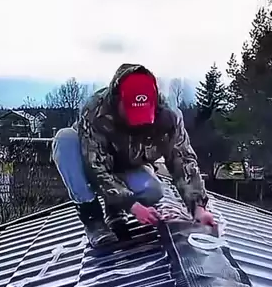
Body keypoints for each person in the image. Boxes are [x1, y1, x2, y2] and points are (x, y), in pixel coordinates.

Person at [52, 63, 217, 247]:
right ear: (118, 101)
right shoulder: (95, 112)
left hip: (127, 169)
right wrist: (132, 205)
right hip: (92, 168)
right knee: (65, 139)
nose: (138, 123)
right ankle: (93, 219)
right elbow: (95, 167)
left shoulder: (168, 116)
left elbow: (183, 160)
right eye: (132, 114)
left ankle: (115, 210)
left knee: (153, 190)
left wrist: (198, 208)